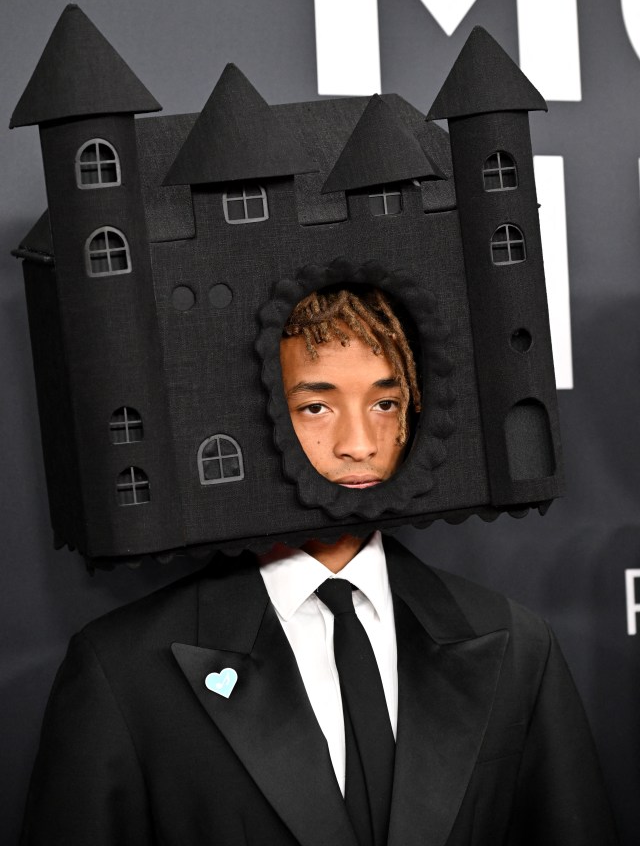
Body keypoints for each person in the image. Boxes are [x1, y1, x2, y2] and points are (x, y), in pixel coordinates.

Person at [20, 287, 618, 846]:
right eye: (316, 407)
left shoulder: (517, 644)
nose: (359, 442)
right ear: (259, 419)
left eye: (384, 402)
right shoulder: (123, 672)